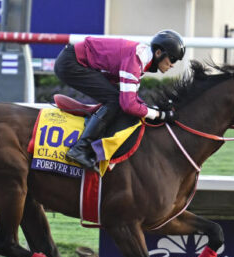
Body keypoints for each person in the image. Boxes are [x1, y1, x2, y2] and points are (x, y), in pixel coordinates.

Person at [54, 29, 185, 170]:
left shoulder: (141, 60)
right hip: (71, 63)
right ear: (159, 53)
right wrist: (160, 115)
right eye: (172, 59)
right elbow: (129, 105)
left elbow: (133, 101)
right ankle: (80, 148)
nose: (172, 65)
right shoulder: (136, 60)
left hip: (79, 61)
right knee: (115, 101)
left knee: (117, 99)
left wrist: (155, 111)